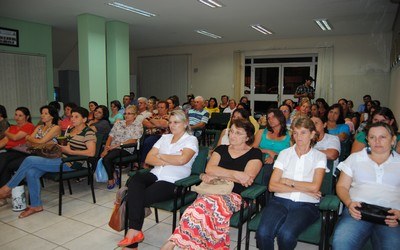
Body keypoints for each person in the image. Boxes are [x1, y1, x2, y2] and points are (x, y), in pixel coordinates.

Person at [162, 119, 262, 249]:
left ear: (248, 136)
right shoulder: (221, 149)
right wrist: (236, 174)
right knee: (197, 211)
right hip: (211, 190)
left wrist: (218, 173)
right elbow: (210, 169)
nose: (232, 135)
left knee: (198, 210)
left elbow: (247, 179)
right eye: (231, 131)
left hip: (236, 195)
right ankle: (184, 243)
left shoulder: (255, 153)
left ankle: (172, 243)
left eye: (238, 133)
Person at [117, 110, 199, 249]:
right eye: (170, 122)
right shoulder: (165, 138)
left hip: (173, 181)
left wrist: (160, 156)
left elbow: (182, 159)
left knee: (136, 196)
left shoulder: (191, 140)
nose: (172, 125)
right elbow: (149, 158)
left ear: (185, 124)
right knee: (136, 179)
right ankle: (135, 232)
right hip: (155, 173)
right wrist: (170, 158)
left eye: (176, 122)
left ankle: (132, 240)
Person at [0, 107, 96, 218]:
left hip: (72, 162)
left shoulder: (88, 132)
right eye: (72, 117)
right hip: (61, 158)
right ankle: (36, 206)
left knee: (30, 160)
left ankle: (7, 188)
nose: (72, 119)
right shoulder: (70, 130)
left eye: (76, 117)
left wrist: (70, 151)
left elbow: (91, 152)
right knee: (31, 172)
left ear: (84, 119)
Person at [256, 117, 326, 250]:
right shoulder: (284, 154)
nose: (298, 137)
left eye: (303, 132)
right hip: (280, 201)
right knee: (263, 234)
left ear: (312, 134)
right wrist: (305, 189)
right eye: (295, 132)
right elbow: (272, 186)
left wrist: (287, 181)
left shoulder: (319, 157)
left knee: (286, 235)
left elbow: (315, 186)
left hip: (306, 205)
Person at [332, 122, 400, 250]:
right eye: (372, 137)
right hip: (357, 211)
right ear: (367, 140)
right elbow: (341, 187)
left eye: (382, 137)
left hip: (390, 216)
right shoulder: (355, 159)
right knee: (342, 244)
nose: (377, 141)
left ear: (393, 140)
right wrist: (349, 203)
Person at [100, 105, 143, 189]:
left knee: (106, 158)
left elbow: (133, 140)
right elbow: (110, 137)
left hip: (126, 148)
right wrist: (106, 148)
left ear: (135, 115)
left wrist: (117, 145)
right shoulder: (119, 123)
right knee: (102, 154)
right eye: (125, 113)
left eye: (129, 113)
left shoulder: (138, 125)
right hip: (112, 147)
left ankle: (111, 178)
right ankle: (114, 173)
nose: (126, 115)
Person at [253, 108, 291, 186]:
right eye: (268, 118)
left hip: (282, 163)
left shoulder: (290, 134)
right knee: (267, 168)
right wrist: (268, 151)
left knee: (270, 169)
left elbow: (293, 153)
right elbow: (253, 149)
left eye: (273, 117)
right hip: (262, 161)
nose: (270, 120)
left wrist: (275, 157)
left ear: (280, 117)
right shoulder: (261, 132)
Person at [141, 101, 170, 168]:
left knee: (148, 141)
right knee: (140, 141)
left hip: (161, 136)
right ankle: (141, 161)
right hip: (149, 134)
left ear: (166, 109)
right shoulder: (154, 115)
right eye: (158, 107)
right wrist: (156, 124)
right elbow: (144, 122)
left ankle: (145, 163)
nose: (159, 109)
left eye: (162, 107)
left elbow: (161, 124)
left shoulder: (168, 116)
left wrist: (152, 121)